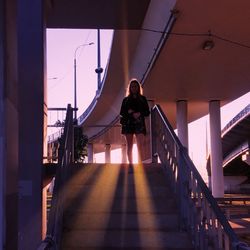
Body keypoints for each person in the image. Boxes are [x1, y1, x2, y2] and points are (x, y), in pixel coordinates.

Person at [120, 78, 150, 164]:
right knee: (129, 146)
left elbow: (147, 112)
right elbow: (121, 112)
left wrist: (140, 113)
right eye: (132, 86)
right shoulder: (125, 100)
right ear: (130, 88)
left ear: (138, 87)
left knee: (140, 145)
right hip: (128, 124)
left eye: (135, 86)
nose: (134, 88)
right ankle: (131, 163)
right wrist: (131, 113)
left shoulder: (143, 99)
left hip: (139, 123)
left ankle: (140, 163)